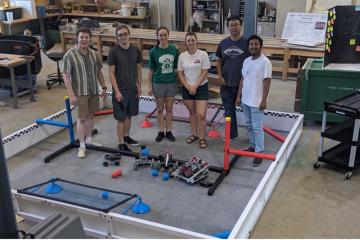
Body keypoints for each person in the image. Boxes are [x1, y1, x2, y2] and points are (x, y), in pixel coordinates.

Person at [63, 27, 107, 158]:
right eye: (81, 37)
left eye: (86, 37)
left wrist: (103, 87)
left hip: (93, 90)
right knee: (82, 118)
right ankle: (82, 146)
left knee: (91, 115)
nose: (84, 40)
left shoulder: (94, 54)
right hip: (80, 93)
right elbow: (66, 75)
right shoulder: (69, 55)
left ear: (90, 39)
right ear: (77, 38)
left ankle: (89, 139)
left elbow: (99, 71)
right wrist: (71, 95)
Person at [236, 35, 272, 167]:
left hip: (257, 102)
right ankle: (253, 146)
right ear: (248, 46)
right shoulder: (246, 61)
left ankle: (259, 152)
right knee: (249, 125)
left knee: (257, 128)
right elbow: (243, 79)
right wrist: (239, 96)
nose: (253, 46)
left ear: (260, 46)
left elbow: (267, 81)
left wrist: (264, 100)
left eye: (256, 44)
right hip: (246, 100)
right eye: (251, 44)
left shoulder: (265, 62)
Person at [108, 25, 142, 151]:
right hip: (120, 91)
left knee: (129, 116)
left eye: (125, 34)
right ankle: (121, 143)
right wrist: (116, 92)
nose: (123, 37)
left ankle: (127, 136)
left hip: (132, 90)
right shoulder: (113, 51)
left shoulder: (136, 50)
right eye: (120, 35)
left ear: (129, 35)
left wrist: (139, 86)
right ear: (117, 37)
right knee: (121, 118)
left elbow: (138, 69)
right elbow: (111, 73)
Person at [216, 16, 250, 141]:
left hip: (244, 84)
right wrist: (220, 76)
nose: (233, 27)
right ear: (228, 27)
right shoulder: (223, 43)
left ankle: (253, 135)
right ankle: (232, 134)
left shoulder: (247, 44)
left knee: (249, 111)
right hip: (226, 84)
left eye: (236, 25)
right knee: (229, 111)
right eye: (231, 25)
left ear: (241, 26)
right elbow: (219, 61)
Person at [177, 32, 210, 148]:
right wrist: (187, 87)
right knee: (192, 112)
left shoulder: (203, 55)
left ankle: (202, 137)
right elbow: (180, 74)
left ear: (196, 41)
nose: (191, 42)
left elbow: (205, 72)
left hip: (201, 87)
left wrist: (195, 86)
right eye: (188, 41)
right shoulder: (182, 56)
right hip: (187, 88)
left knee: (201, 114)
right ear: (186, 43)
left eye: (192, 40)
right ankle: (194, 134)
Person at [148, 26, 179, 142]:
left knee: (169, 108)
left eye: (165, 35)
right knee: (160, 109)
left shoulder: (174, 50)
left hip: (170, 83)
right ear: (157, 36)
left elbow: (177, 68)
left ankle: (169, 130)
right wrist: (150, 86)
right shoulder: (153, 51)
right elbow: (151, 70)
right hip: (158, 83)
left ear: (168, 35)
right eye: (160, 35)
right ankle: (161, 131)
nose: (163, 37)